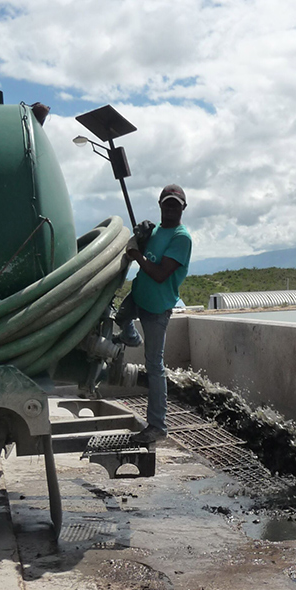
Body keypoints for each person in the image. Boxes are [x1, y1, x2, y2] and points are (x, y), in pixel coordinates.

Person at [115, 184, 192, 444]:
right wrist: (142, 236)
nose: (170, 208)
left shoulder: (181, 238)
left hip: (157, 308)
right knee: (120, 319)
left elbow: (160, 274)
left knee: (154, 367)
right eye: (166, 203)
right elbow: (144, 248)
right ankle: (132, 337)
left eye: (175, 205)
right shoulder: (157, 231)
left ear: (183, 208)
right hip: (137, 296)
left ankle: (157, 426)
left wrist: (136, 254)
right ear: (160, 205)